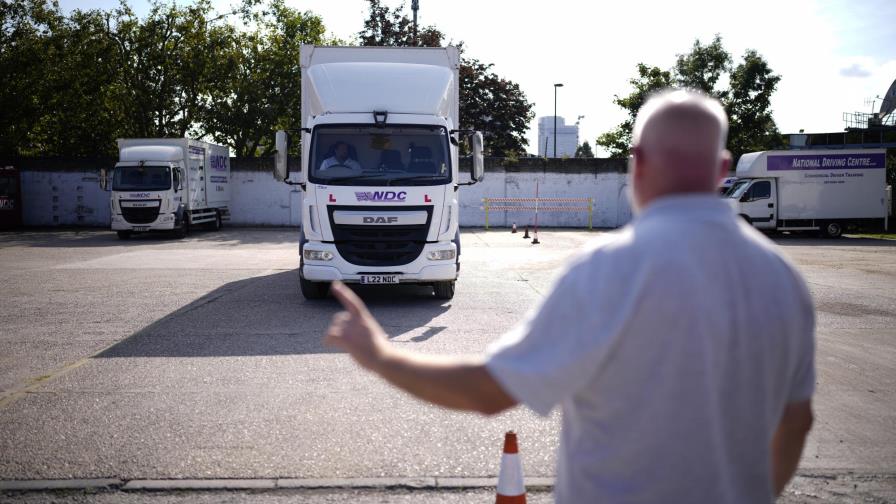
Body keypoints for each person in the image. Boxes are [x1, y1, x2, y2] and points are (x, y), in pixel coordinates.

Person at [324, 90, 815, 503]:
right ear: (723, 168)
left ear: (637, 164)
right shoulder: (783, 279)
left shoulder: (611, 270)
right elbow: (796, 421)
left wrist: (381, 355)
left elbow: (488, 392)